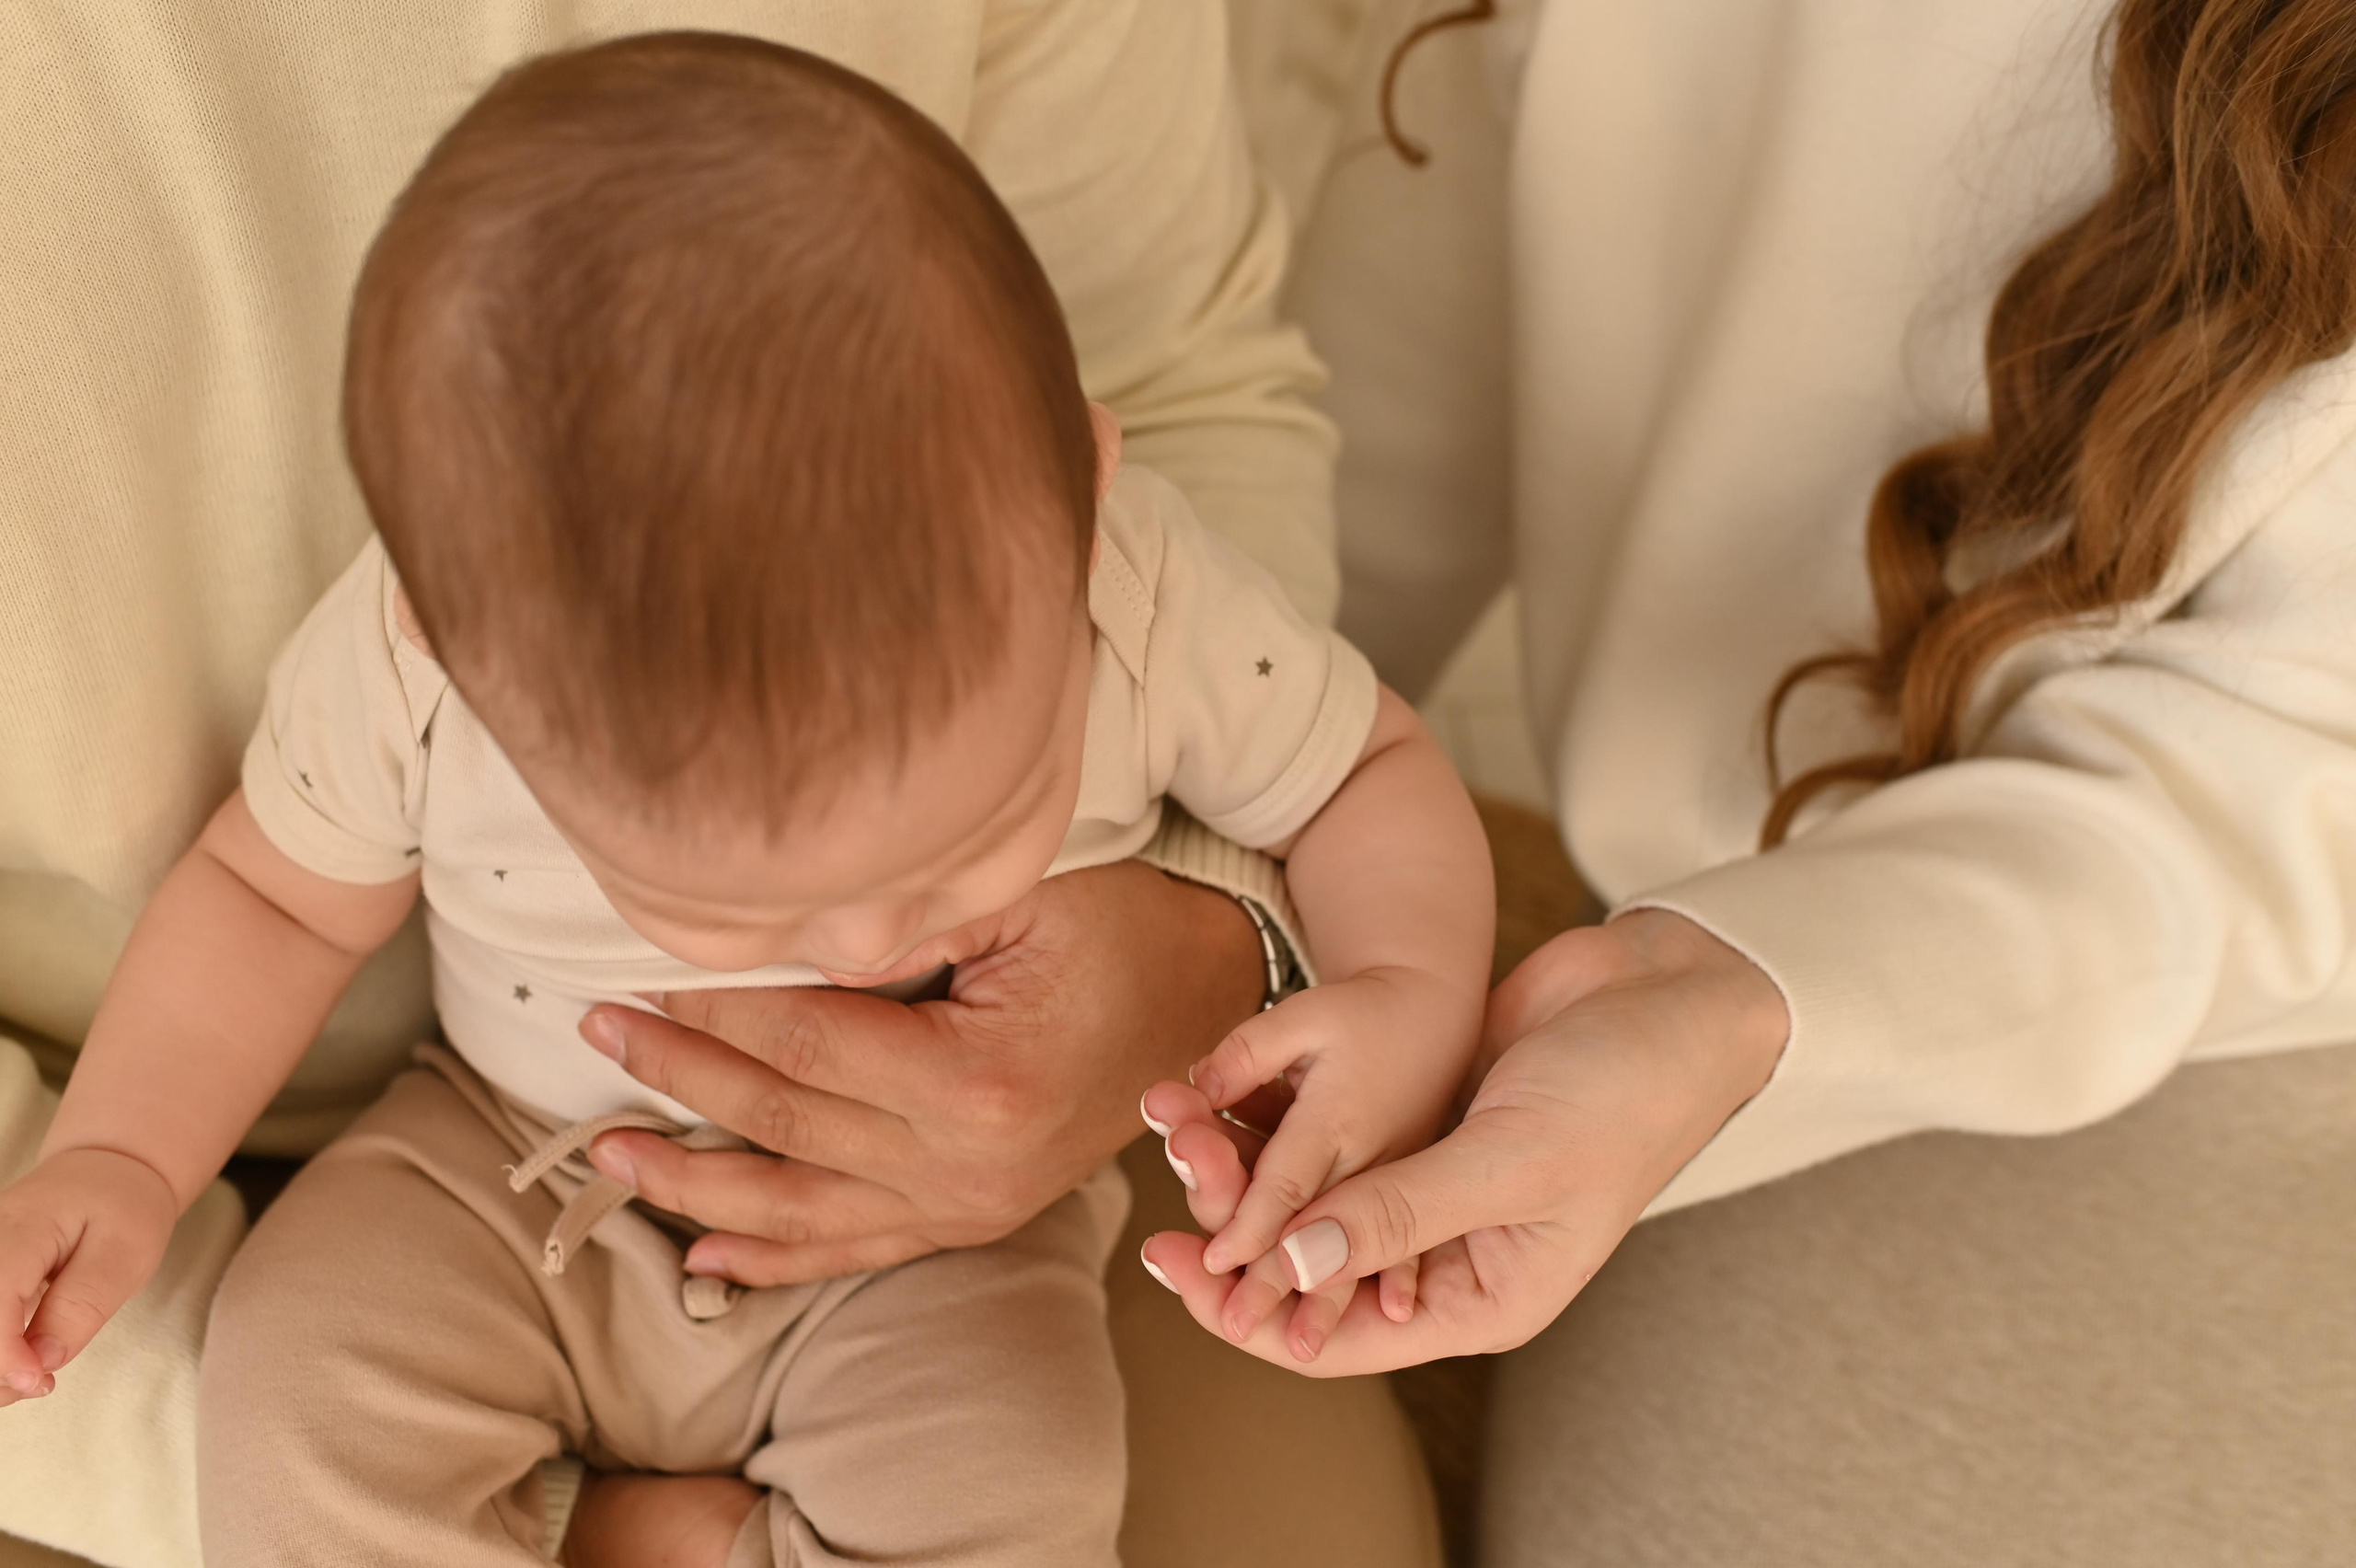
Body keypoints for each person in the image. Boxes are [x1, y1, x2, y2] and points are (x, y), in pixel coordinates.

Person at [0, 36, 1493, 1564]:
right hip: (495, 1175)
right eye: (731, 906)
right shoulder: (427, 665)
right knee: (303, 1391)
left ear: (1085, 498)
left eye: (974, 833)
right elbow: (268, 900)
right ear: (456, 657)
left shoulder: (1134, 583)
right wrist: (122, 1155)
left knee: (1019, 1484)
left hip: (938, 1240)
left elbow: (1363, 770)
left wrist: (1405, 984)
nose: (868, 944)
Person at [1145, 0, 2356, 1553]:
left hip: (2249, 1034)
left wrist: (1741, 998)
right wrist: (1176, 865)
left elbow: (2284, 792)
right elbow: (1330, 529)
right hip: (1698, 1006)